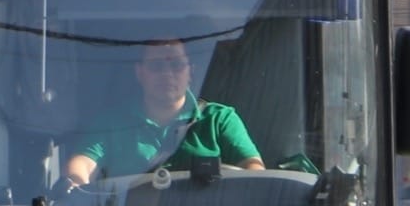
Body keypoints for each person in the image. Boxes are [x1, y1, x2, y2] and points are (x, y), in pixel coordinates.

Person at [64, 37, 263, 186]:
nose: (167, 74)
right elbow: (82, 164)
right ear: (140, 72)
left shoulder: (219, 119)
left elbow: (253, 168)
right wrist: (76, 181)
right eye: (156, 66)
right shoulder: (111, 122)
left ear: (190, 72)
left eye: (176, 65)